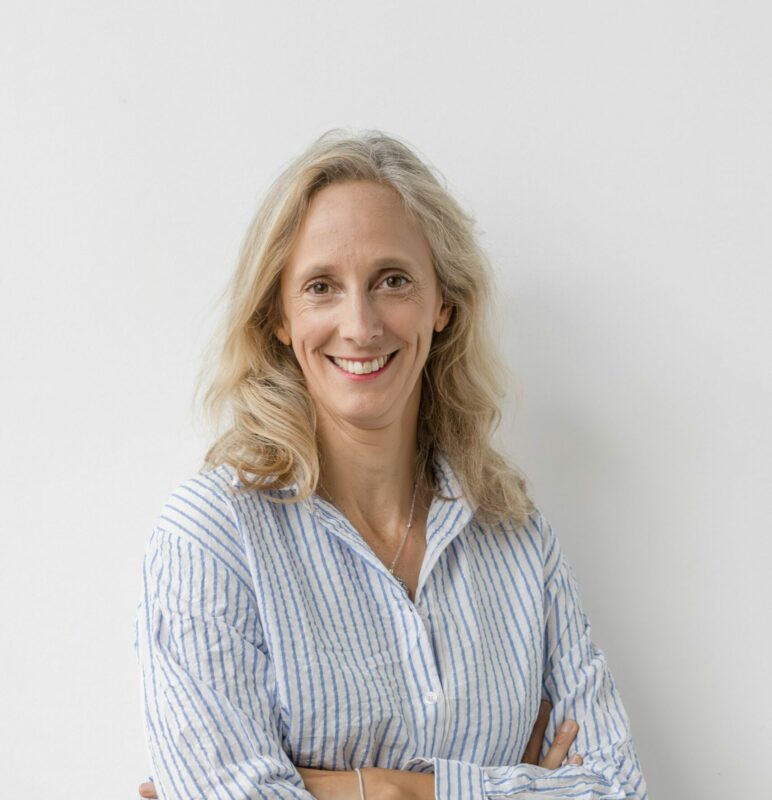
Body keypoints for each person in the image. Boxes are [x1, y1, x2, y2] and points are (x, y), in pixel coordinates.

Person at [133, 129, 648, 799]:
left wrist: (379, 789)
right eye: (321, 286)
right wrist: (508, 786)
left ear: (443, 304)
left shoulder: (517, 538)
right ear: (279, 317)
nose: (360, 325)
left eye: (392, 281)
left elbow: (617, 789)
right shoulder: (210, 539)